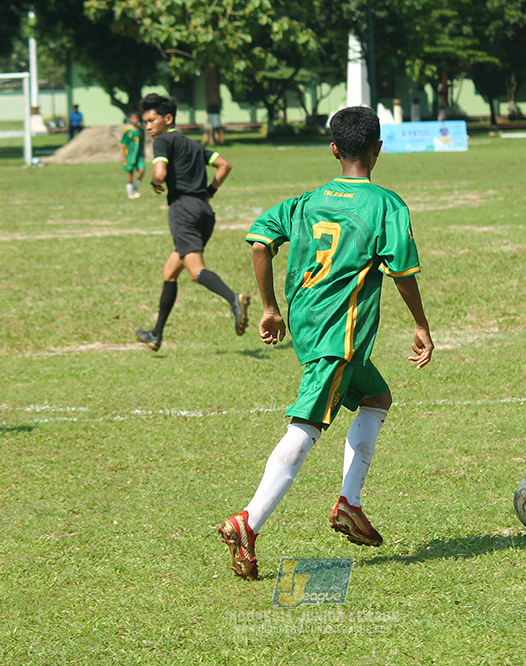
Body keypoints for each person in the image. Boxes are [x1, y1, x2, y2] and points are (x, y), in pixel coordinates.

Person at [217, 106, 434, 581]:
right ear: (378, 149)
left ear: (334, 149)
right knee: (306, 426)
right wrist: (421, 324)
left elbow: (259, 241)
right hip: (340, 336)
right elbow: (401, 273)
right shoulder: (385, 205)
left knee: (377, 397)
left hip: (310, 325)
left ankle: (349, 503)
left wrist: (272, 308)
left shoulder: (306, 201)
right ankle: (248, 522)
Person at [134, 93, 249, 351]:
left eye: (152, 120)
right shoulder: (194, 145)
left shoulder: (163, 141)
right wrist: (210, 191)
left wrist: (155, 182)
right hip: (204, 211)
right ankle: (156, 334)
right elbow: (224, 165)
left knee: (196, 271)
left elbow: (160, 173)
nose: (148, 126)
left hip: (183, 211)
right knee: (170, 271)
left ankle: (234, 299)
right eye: (145, 122)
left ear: (168, 119)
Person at [120, 112, 146, 199]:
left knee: (142, 170)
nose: (136, 120)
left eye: (137, 118)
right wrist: (123, 156)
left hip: (139, 155)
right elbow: (124, 144)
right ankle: (130, 193)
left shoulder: (141, 130)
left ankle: (135, 186)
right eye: (134, 118)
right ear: (130, 119)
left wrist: (143, 153)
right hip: (130, 155)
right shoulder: (128, 130)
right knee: (130, 173)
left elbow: (143, 143)